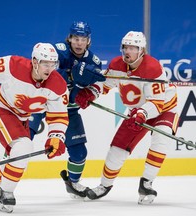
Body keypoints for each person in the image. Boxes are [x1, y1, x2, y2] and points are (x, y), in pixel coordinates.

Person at [0, 42, 69, 213]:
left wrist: (56, 136)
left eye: (53, 64)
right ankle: (6, 191)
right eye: (46, 63)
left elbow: (59, 115)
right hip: (0, 109)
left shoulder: (58, 86)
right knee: (24, 147)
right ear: (35, 61)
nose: (49, 68)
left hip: (21, 118)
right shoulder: (13, 65)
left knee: (19, 154)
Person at [75, 31, 179, 204]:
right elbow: (105, 83)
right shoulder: (117, 64)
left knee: (161, 141)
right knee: (117, 148)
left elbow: (157, 104)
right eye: (126, 47)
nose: (128, 51)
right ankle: (105, 185)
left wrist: (142, 114)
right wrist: (91, 92)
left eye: (133, 48)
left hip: (163, 109)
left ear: (141, 50)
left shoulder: (152, 68)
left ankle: (146, 184)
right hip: (138, 112)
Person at [29, 21, 105, 199]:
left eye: (83, 39)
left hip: (67, 110)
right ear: (69, 39)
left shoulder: (94, 61)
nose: (79, 42)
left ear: (88, 41)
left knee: (79, 152)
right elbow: (45, 75)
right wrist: (71, 74)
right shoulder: (58, 52)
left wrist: (89, 94)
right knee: (24, 137)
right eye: (75, 38)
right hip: (42, 102)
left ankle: (73, 183)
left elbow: (99, 85)